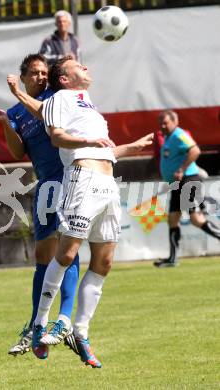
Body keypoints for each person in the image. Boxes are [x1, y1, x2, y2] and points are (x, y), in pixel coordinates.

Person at [15, 56, 153, 368]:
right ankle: (41, 323)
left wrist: (131, 147)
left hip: (107, 183)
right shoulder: (59, 99)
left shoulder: (89, 105)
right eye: (77, 65)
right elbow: (57, 137)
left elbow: (103, 148)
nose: (86, 67)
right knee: (66, 254)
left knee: (104, 262)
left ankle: (80, 331)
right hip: (82, 180)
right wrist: (90, 139)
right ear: (63, 78)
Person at [0, 54, 80, 359]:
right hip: (45, 185)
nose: (42, 77)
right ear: (24, 75)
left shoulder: (54, 97)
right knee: (44, 254)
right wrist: (6, 123)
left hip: (69, 179)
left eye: (45, 72)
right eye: (35, 73)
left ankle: (64, 318)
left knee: (68, 249)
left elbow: (46, 116)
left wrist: (19, 93)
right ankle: (36, 325)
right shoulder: (17, 111)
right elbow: (17, 152)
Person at [154, 110, 220, 268]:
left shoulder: (178, 134)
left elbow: (195, 150)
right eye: (160, 123)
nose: (162, 126)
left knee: (196, 219)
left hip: (188, 181)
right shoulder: (169, 137)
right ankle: (173, 259)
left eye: (166, 123)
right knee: (172, 219)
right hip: (178, 185)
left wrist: (182, 169)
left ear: (174, 122)